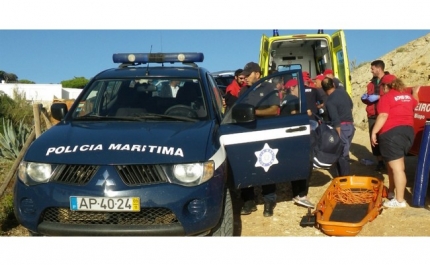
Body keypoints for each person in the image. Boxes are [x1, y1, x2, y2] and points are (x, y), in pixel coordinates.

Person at [371, 75, 420, 208]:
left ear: (386, 86)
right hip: (408, 133)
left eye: (382, 86)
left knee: (398, 169)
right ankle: (392, 192)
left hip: (392, 134)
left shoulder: (386, 98)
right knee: (395, 166)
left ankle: (399, 200)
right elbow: (416, 103)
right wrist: (415, 93)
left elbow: (383, 115)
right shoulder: (407, 97)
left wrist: (374, 131)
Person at [239, 62, 279, 217]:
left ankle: (269, 200)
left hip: (265, 132)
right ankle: (248, 200)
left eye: (248, 75)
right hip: (246, 133)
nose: (245, 78)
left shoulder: (269, 88)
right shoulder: (244, 90)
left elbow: (274, 109)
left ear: (257, 73)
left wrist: (254, 112)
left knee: (266, 165)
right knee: (246, 165)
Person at [280, 78, 315, 208]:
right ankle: (301, 195)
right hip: (295, 136)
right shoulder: (294, 100)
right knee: (305, 163)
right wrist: (306, 113)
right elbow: (295, 117)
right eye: (299, 87)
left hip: (288, 136)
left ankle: (296, 192)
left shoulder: (285, 99)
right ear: (293, 87)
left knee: (295, 163)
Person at [321, 77, 355, 176]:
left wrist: (339, 136)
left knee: (341, 154)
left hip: (342, 128)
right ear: (334, 85)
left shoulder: (329, 101)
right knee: (345, 152)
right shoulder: (343, 92)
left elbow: (335, 120)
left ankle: (344, 178)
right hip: (350, 126)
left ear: (323, 89)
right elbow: (351, 105)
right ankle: (343, 175)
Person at [361, 60, 389, 172]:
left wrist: (379, 97)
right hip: (373, 115)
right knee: (374, 141)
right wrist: (365, 98)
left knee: (386, 139)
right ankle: (380, 162)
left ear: (378, 68)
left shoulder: (389, 80)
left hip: (385, 115)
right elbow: (368, 99)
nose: (371, 71)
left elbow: (392, 94)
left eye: (372, 69)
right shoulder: (371, 84)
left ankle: (389, 162)